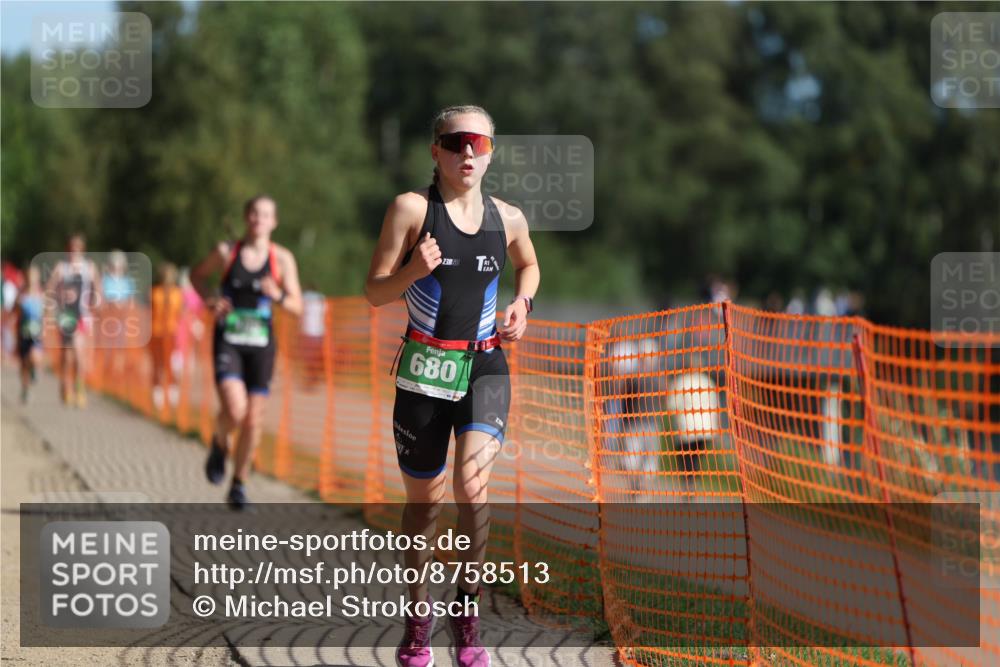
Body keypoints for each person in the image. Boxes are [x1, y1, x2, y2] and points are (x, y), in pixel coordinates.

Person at [365, 105, 539, 667]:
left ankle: (468, 613)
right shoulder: (411, 210)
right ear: (435, 149)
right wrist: (413, 271)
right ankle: (419, 623)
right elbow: (373, 291)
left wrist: (522, 303)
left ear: (491, 152)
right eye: (457, 141)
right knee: (424, 504)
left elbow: (529, 265)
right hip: (424, 372)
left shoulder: (508, 218)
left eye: (479, 143)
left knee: (472, 485)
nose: (468, 152)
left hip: (484, 366)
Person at [191, 195, 302, 509]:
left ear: (274, 222)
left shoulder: (282, 259)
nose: (258, 219)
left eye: (265, 214)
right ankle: (219, 439)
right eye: (253, 213)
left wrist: (277, 294)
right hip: (230, 340)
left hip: (262, 346)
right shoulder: (227, 252)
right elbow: (195, 276)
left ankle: (238, 484)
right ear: (246, 217)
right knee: (236, 410)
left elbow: (296, 306)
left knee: (253, 420)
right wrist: (212, 298)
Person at [46, 233, 101, 407]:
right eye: (71, 247)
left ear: (83, 249)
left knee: (78, 353)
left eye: (78, 247)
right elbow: (50, 288)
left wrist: (97, 302)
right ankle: (64, 384)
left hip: (82, 315)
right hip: (66, 316)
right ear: (67, 248)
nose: (74, 250)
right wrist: (51, 307)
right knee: (67, 355)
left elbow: (97, 288)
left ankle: (79, 388)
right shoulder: (61, 267)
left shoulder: (89, 267)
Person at [150, 262, 183, 411]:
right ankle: (157, 400)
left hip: (173, 336)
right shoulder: (154, 293)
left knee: (174, 369)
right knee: (158, 368)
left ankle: (173, 399)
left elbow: (180, 315)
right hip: (157, 335)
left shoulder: (177, 294)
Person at [15, 265, 44, 403]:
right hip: (23, 334)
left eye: (34, 277)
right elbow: (15, 313)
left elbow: (47, 315)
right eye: (29, 277)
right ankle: (25, 389)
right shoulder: (21, 295)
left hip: (37, 334)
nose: (32, 279)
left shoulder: (42, 295)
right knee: (24, 364)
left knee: (34, 357)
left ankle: (35, 371)